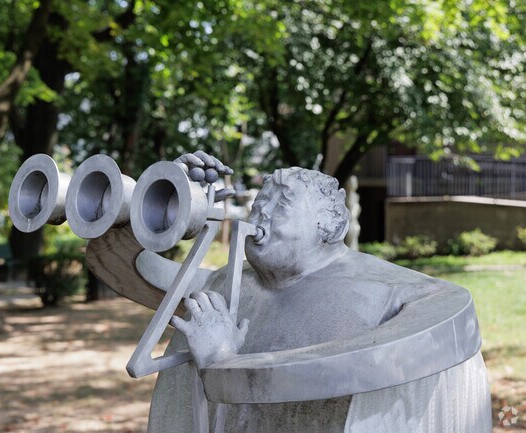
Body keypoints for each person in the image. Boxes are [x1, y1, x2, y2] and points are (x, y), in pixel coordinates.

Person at [86, 151, 491, 433]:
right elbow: (118, 261)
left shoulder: (391, 294)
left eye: (281, 204)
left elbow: (329, 372)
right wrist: (166, 201)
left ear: (330, 225)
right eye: (260, 202)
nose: (260, 213)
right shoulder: (226, 284)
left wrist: (222, 362)